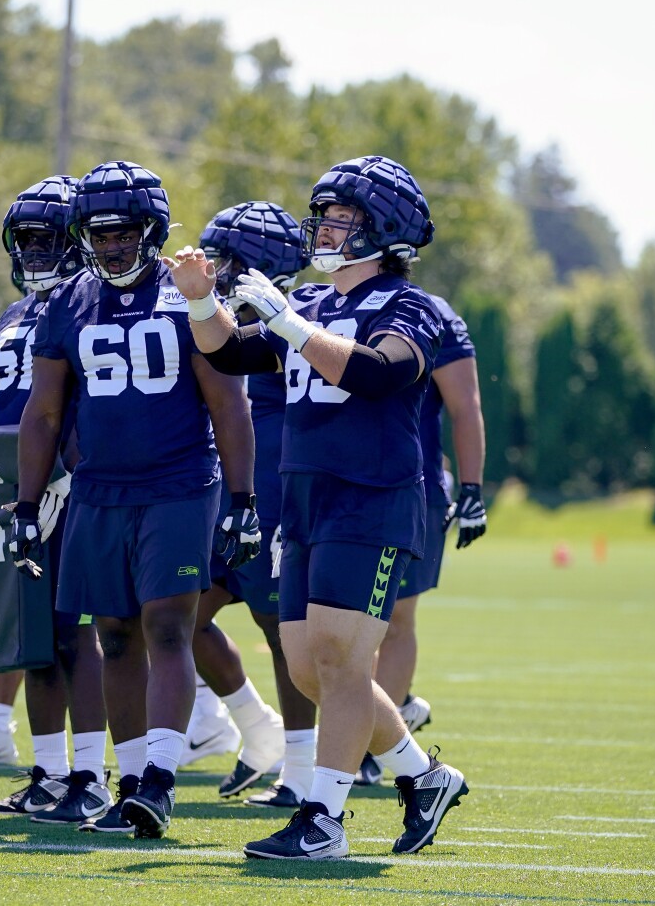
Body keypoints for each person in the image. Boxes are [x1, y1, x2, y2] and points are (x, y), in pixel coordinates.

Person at [170, 155, 469, 860]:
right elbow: (232, 354)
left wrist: (293, 324)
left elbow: (379, 371)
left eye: (342, 217)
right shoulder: (319, 299)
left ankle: (324, 816)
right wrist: (199, 302)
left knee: (338, 657)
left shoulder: (410, 305)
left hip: (370, 494)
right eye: (326, 214)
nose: (325, 228)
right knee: (312, 668)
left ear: (383, 229)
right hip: (306, 494)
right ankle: (422, 776)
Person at [10, 160, 258, 839]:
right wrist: (27, 506)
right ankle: (128, 783)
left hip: (179, 484)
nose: (112, 244)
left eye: (124, 232)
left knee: (168, 627)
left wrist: (243, 497)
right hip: (99, 491)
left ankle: (160, 780)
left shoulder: (187, 293)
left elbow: (228, 405)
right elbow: (43, 414)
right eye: (99, 232)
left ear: (150, 230)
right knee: (112, 635)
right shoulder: (68, 303)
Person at [0, 176, 114, 825]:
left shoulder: (92, 307)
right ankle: (49, 772)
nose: (33, 253)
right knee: (32, 640)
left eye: (46, 240)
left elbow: (86, 406)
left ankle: (90, 776)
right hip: (14, 494)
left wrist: (62, 475)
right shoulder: (14, 315)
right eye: (26, 241)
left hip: (67, 490)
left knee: (72, 636)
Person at [184, 203, 315, 805]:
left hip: (272, 488)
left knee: (283, 630)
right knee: (174, 614)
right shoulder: (210, 315)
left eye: (232, 259)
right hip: (219, 488)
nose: (219, 268)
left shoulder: (294, 318)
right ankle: (255, 727)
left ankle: (303, 769)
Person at [359, 289, 488, 786]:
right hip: (338, 486)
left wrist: (473, 486)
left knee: (392, 621)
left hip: (411, 486)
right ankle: (395, 711)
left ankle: (373, 742)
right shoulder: (324, 301)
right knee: (336, 630)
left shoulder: (428, 311)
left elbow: (465, 403)